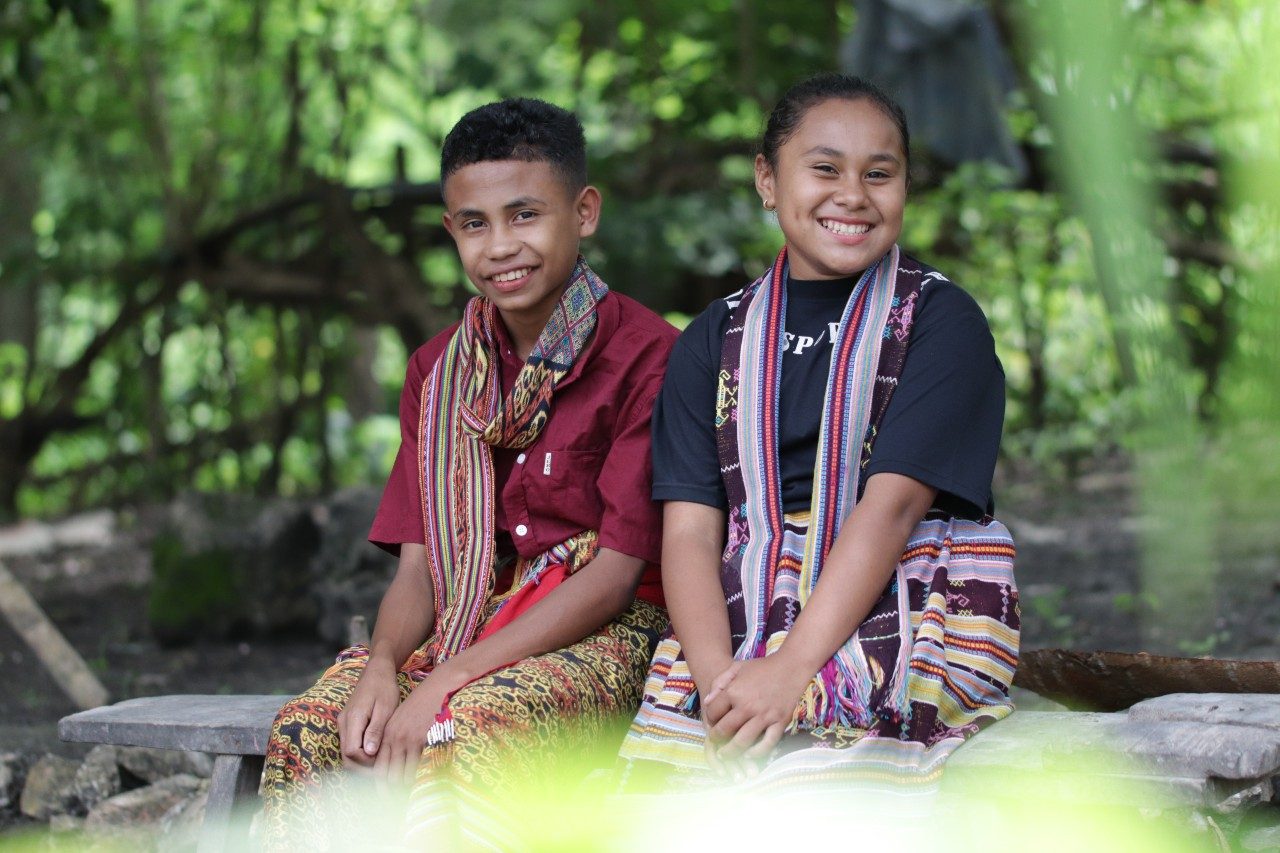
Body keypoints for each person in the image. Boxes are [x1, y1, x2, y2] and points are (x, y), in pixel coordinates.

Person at [262, 97, 676, 846]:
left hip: (611, 635)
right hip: (468, 625)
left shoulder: (649, 357)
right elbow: (420, 570)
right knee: (313, 728)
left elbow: (615, 575)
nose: (501, 246)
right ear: (451, 231)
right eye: (475, 224)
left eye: (525, 215)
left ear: (583, 212)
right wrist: (384, 667)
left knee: (468, 729)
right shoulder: (438, 372)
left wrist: (446, 684)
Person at [618, 73, 1020, 791]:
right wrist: (718, 685)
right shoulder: (713, 338)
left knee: (810, 761)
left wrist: (791, 667)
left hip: (901, 588)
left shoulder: (940, 321)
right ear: (768, 181)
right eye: (825, 168)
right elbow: (689, 531)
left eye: (880, 173)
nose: (854, 195)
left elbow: (893, 507)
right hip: (740, 605)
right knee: (665, 787)